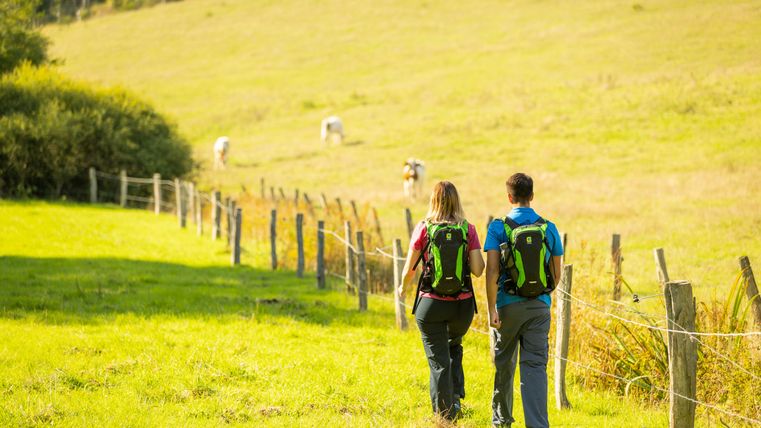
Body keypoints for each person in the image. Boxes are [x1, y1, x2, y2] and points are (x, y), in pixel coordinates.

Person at [397, 181, 485, 420]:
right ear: (457, 200)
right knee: (453, 347)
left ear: (433, 201)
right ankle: (455, 402)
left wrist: (401, 288)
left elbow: (409, 270)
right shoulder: (468, 229)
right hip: (462, 307)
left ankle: (445, 418)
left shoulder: (424, 228)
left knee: (438, 361)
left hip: (431, 306)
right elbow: (478, 270)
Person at [484, 173, 563, 428]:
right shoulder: (547, 227)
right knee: (535, 367)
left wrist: (491, 308)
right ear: (532, 196)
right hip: (539, 307)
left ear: (509, 197)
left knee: (504, 363)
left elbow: (492, 271)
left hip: (507, 306)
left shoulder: (498, 227)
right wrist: (540, 297)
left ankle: (502, 421)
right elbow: (556, 274)